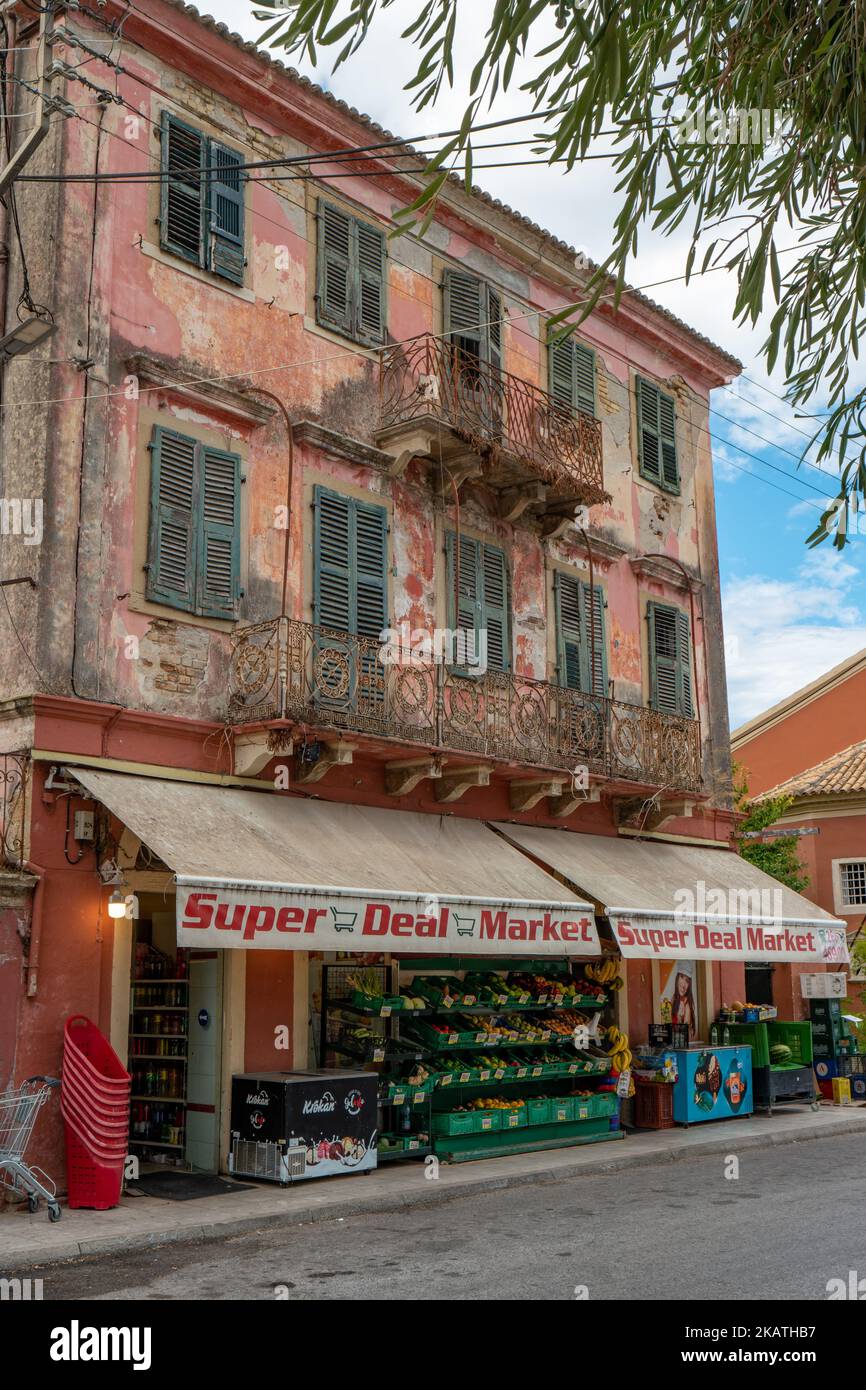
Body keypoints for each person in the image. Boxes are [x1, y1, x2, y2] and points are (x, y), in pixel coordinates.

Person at [671, 970, 697, 1040]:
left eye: (687, 981)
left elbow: (686, 1037)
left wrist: (679, 1018)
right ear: (677, 978)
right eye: (682, 977)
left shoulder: (686, 1004)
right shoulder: (674, 998)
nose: (683, 985)